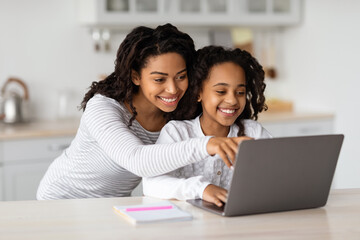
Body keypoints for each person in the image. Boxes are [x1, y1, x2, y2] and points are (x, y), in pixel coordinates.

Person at [37, 24, 244, 200]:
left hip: (111, 206)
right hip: (61, 199)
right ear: (136, 76)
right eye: (159, 79)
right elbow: (138, 161)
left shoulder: (176, 111)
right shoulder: (103, 108)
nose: (173, 89)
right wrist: (207, 144)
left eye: (180, 76)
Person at [143, 46, 272, 207]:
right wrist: (202, 189)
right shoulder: (177, 132)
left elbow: (279, 173)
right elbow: (151, 183)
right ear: (198, 93)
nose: (232, 100)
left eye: (240, 92)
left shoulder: (253, 132)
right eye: (221, 91)